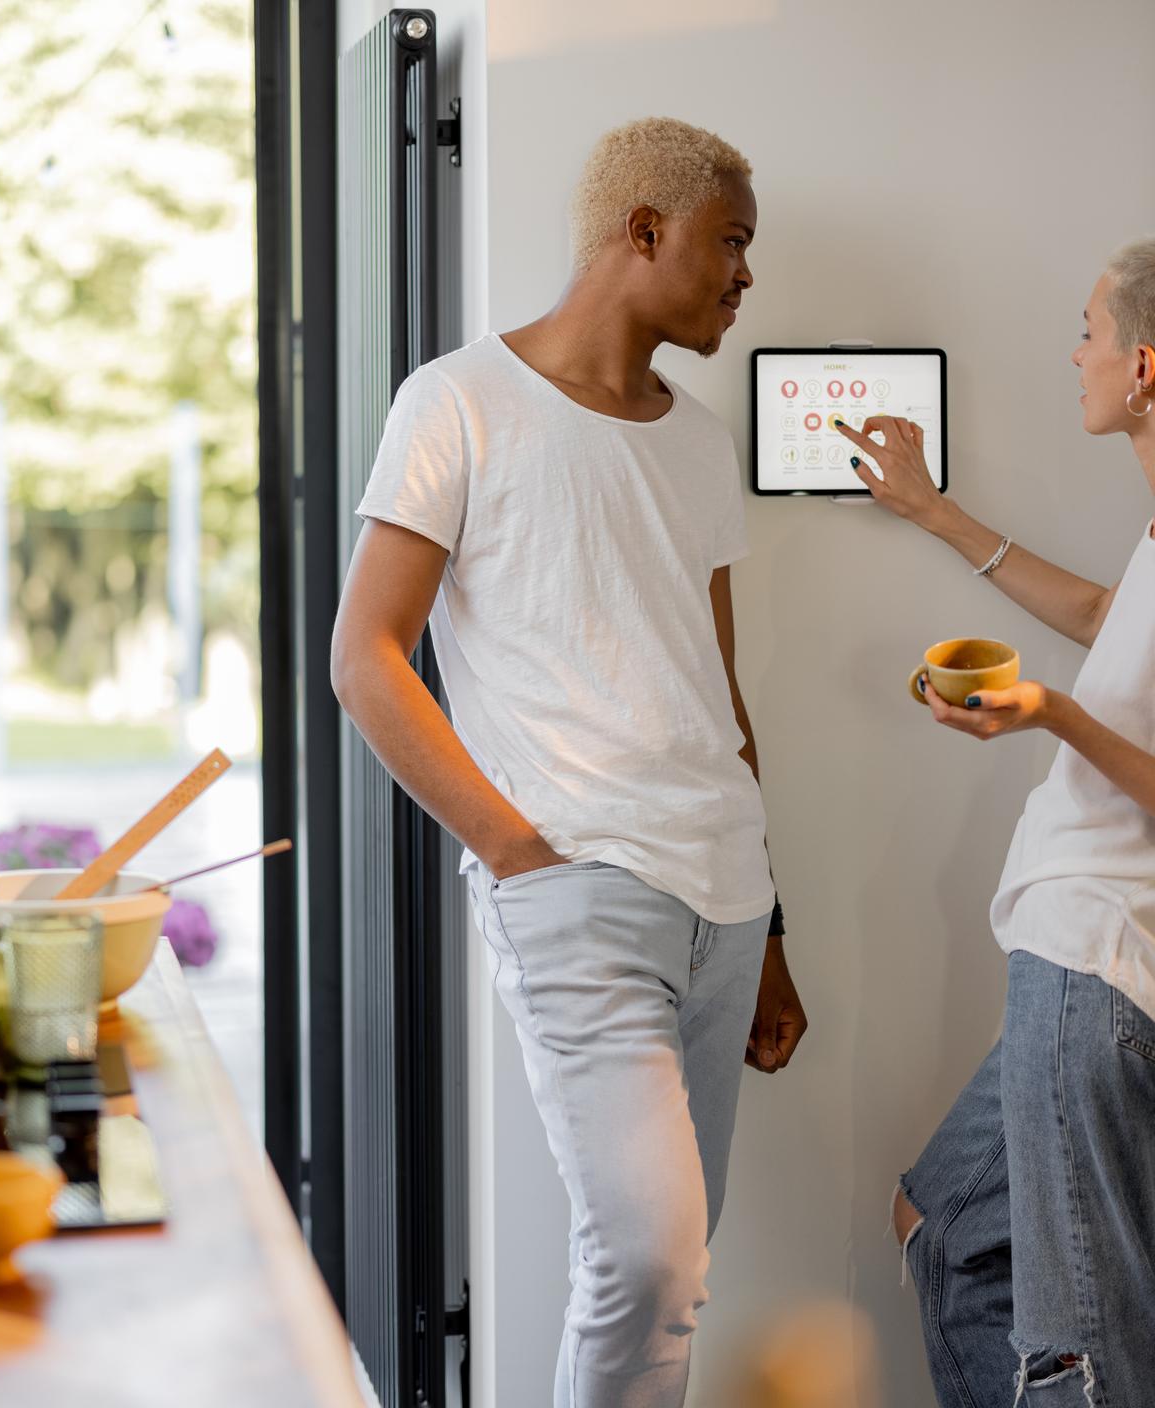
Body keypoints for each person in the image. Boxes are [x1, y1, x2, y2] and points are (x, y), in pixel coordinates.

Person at [331, 116, 807, 1408]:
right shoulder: (458, 401)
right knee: (646, 1263)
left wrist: (771, 933)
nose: (745, 276)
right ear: (641, 232)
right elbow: (367, 657)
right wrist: (514, 850)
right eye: (731, 243)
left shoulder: (700, 443)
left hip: (725, 897)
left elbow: (720, 697)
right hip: (578, 891)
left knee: (675, 1273)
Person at [834, 239, 1155, 1406]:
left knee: (1080, 1351)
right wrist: (934, 514)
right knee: (946, 1224)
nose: (1075, 354)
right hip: (1068, 965)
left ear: (1145, 365)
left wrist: (1052, 714)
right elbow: (1100, 612)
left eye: (1088, 330)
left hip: (1098, 970)